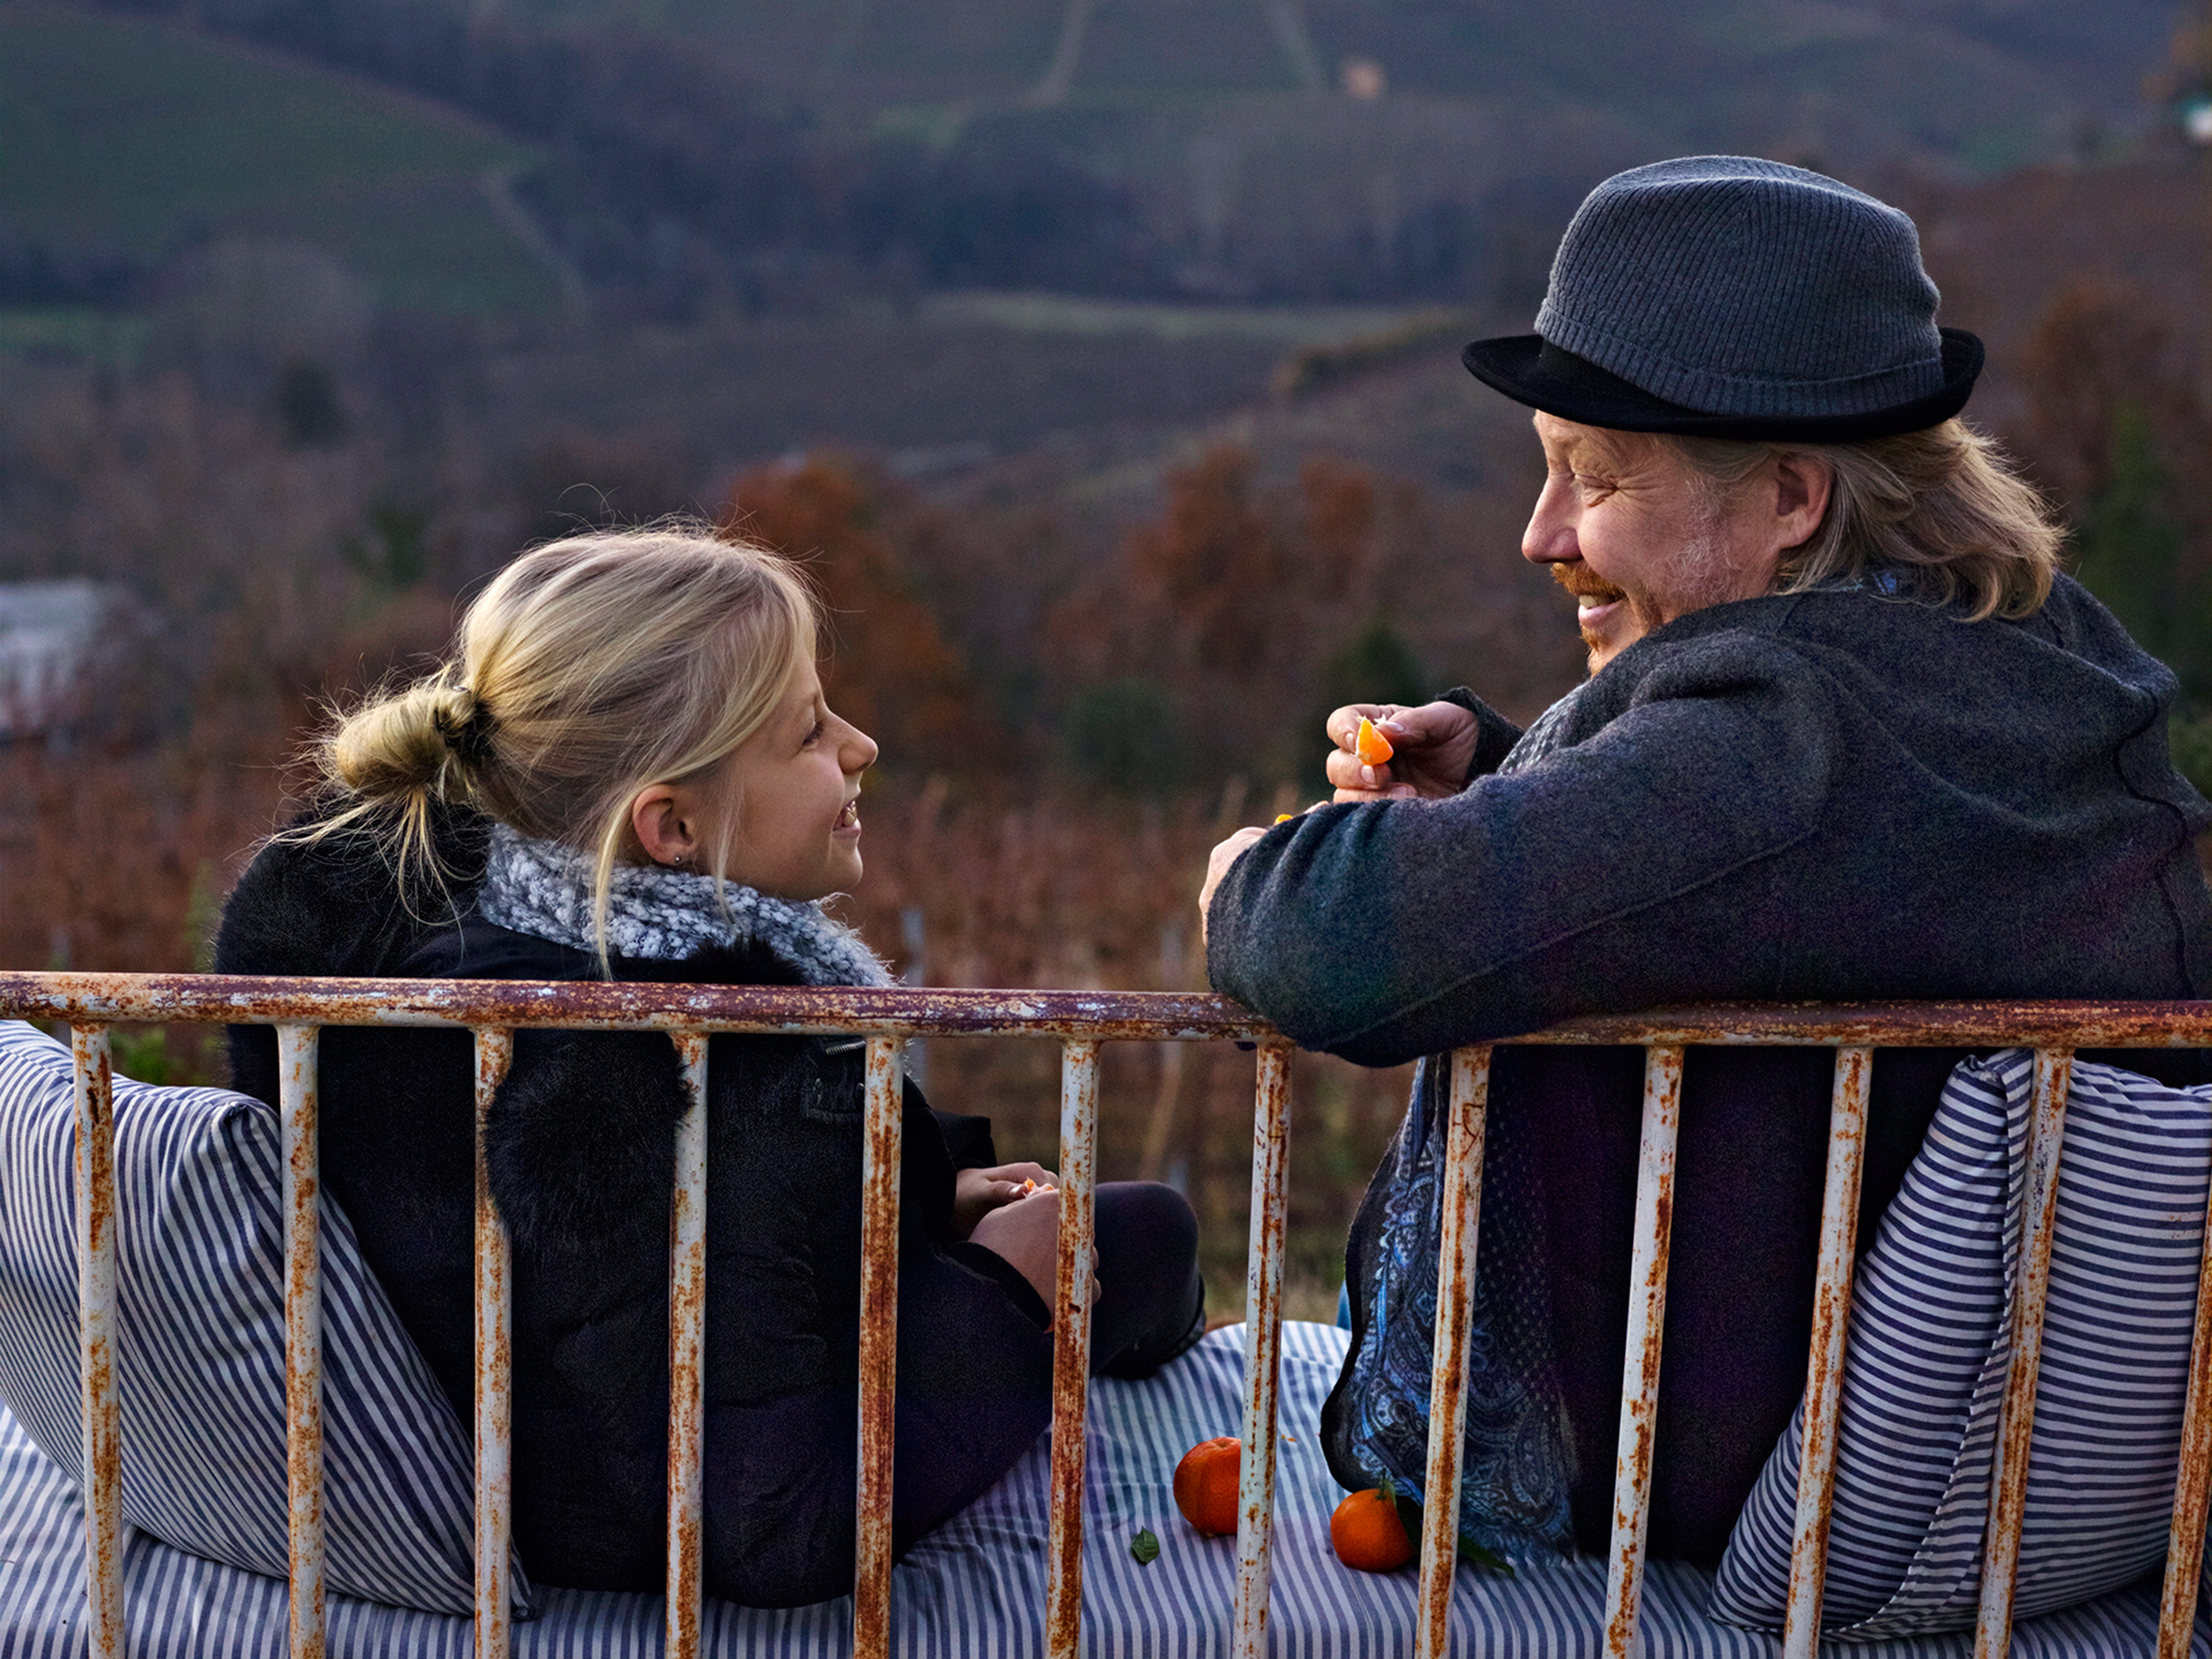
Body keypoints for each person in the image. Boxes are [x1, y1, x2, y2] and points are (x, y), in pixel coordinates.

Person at [1200, 157, 2212, 1567]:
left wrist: (1254, 868)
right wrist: (1513, 782)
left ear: (1792, 498)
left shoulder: (1790, 737)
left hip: (1725, 1487)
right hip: (2010, 1465)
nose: (1541, 535)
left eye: (1596, 477)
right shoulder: (2013, 653)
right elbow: (1810, 882)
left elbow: (1326, 943)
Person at [215, 527, 1205, 1606]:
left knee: (1121, 1230)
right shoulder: (689, 1072)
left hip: (551, 1452)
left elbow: (706, 1270)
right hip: (627, 1526)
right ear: (674, 826)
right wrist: (1008, 1294)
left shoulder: (476, 963)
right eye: (809, 732)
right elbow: (782, 1526)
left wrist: (922, 1201)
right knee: (1138, 1240)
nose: (861, 744)